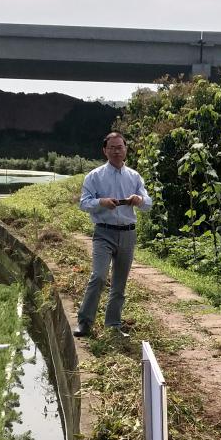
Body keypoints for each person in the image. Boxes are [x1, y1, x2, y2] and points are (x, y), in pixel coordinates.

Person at [75, 131, 152, 338]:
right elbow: (83, 203)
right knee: (98, 276)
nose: (117, 151)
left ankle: (113, 325)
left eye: (120, 147)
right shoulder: (94, 176)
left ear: (126, 149)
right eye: (112, 148)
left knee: (120, 283)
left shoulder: (134, 176)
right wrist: (101, 202)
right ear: (105, 151)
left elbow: (148, 203)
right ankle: (84, 322)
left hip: (128, 234)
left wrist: (139, 200)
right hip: (104, 232)